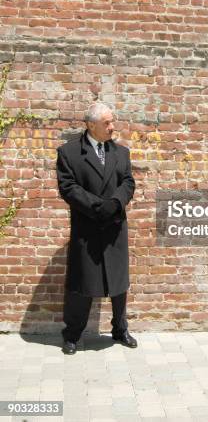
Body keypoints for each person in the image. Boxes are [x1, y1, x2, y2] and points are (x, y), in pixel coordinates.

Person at [56, 102, 137, 354]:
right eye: (107, 123)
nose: (113, 127)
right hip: (87, 227)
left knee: (118, 282)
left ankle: (120, 329)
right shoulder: (68, 152)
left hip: (114, 226)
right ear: (91, 125)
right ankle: (72, 334)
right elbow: (68, 187)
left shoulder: (121, 153)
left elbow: (128, 182)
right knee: (81, 284)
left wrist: (114, 203)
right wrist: (96, 206)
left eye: (112, 121)